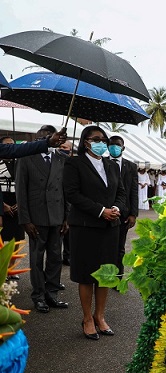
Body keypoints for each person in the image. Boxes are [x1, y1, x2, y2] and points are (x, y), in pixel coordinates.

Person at [63, 125, 126, 340]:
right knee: (87, 275)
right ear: (85, 141)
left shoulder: (111, 165)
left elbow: (121, 192)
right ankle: (87, 318)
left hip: (110, 228)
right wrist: (101, 211)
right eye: (96, 138)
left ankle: (100, 316)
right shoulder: (74, 163)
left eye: (103, 139)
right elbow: (72, 193)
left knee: (106, 274)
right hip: (85, 227)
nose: (100, 142)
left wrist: (117, 208)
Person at [15, 129, 70, 313]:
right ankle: (38, 296)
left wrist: (66, 218)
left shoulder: (62, 159)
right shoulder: (26, 158)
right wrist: (25, 220)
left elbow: (65, 192)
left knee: (55, 257)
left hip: (57, 216)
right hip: (36, 218)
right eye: (43, 138)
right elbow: (20, 191)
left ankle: (52, 293)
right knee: (37, 258)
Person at [108, 136, 139, 278]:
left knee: (120, 247)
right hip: (105, 212)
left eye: (117, 145)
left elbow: (133, 190)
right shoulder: (102, 163)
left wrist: (133, 214)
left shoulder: (131, 166)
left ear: (123, 148)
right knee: (105, 246)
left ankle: (118, 276)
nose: (114, 147)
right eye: (111, 145)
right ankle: (105, 275)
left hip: (124, 214)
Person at [0, 137, 25, 247]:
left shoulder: (20, 163)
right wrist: (2, 206)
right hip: (2, 200)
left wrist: (21, 203)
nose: (10, 147)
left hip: (16, 202)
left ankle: (11, 264)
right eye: (7, 145)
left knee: (16, 237)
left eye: (12, 145)